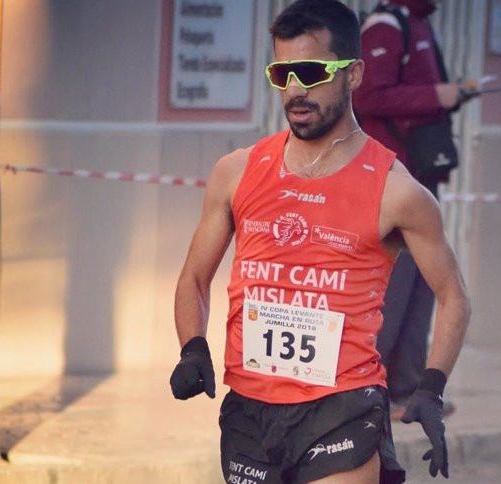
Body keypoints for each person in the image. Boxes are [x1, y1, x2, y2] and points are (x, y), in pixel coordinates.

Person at [169, 0, 470, 482]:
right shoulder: (237, 172)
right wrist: (193, 348)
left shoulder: (396, 190)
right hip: (249, 410)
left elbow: (453, 295)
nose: (295, 90)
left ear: (353, 74)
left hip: (341, 410)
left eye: (310, 72)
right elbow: (194, 278)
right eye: (282, 73)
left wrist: (430, 388)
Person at [353, 0, 472, 420]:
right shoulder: (387, 25)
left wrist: (450, 97)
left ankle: (404, 388)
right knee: (394, 288)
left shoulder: (419, 25)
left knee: (422, 287)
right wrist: (435, 96)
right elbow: (367, 96)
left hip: (420, 175)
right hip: (392, 176)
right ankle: (371, 391)